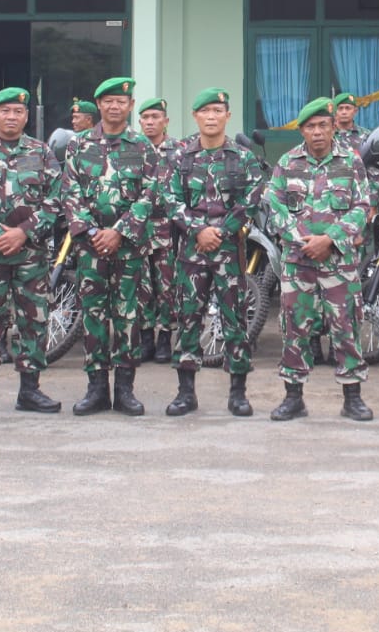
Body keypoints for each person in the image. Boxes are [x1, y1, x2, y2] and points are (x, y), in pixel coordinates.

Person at [263, 97, 374, 422]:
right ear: (301, 130)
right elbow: (275, 206)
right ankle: (293, 397)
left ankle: (352, 397)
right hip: (298, 263)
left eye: (323, 125)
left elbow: (362, 205)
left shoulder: (351, 162)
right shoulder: (287, 162)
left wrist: (331, 239)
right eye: (310, 127)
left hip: (339, 263)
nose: (317, 132)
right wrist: (303, 240)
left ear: (332, 126)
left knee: (346, 327)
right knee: (295, 328)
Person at [0, 87, 63, 417]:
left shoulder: (42, 152)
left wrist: (23, 232)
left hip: (31, 255)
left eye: (18, 112)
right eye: (4, 111)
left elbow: (55, 199)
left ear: (26, 116)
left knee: (34, 321)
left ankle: (30, 391)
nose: (11, 117)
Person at [62, 76, 159, 416]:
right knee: (93, 317)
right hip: (91, 250)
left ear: (130, 106)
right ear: (99, 105)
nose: (115, 106)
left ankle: (125, 390)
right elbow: (70, 193)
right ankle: (96, 388)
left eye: (122, 101)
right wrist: (91, 233)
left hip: (128, 249)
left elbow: (150, 195)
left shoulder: (142, 147)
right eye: (108, 101)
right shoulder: (78, 146)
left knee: (128, 318)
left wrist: (119, 231)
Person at [164, 88, 265, 416]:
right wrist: (198, 230)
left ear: (227, 116)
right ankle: (185, 392)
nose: (211, 116)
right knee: (189, 318)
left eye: (217, 111)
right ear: (195, 116)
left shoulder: (242, 157)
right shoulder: (181, 157)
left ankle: (238, 392)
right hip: (192, 252)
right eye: (205, 111)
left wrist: (221, 230)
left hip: (228, 251)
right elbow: (170, 199)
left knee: (233, 319)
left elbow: (252, 196)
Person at [136, 96, 180, 364]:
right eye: (146, 118)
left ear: (166, 121)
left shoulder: (179, 150)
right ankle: (144, 338)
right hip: (138, 229)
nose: (151, 122)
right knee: (141, 285)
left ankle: (165, 337)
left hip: (168, 228)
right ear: (140, 122)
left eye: (156, 118)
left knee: (167, 285)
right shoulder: (133, 149)